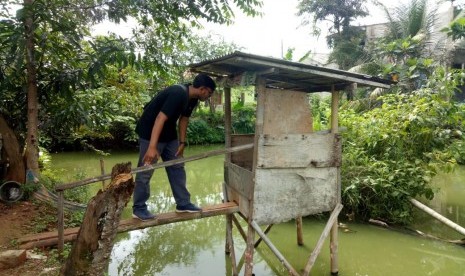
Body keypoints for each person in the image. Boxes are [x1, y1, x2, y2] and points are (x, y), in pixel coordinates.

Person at [132, 74, 216, 221]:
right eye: (209, 93)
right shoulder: (178, 93)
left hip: (168, 133)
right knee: (146, 169)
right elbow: (160, 118)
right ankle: (139, 208)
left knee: (177, 165)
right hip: (150, 131)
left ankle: (183, 203)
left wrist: (182, 143)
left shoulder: (193, 99)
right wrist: (152, 147)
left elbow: (184, 119)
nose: (208, 97)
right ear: (202, 89)